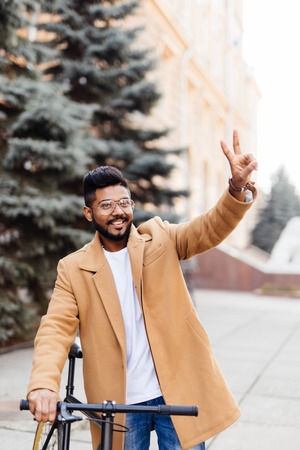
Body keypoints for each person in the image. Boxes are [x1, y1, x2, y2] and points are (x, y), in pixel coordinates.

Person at [27, 130, 258, 450]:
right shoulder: (73, 268)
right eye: (106, 205)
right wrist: (43, 385)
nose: (118, 211)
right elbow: (55, 328)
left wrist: (235, 187)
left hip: (175, 391)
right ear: (89, 213)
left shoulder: (160, 238)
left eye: (124, 202)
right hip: (119, 402)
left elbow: (209, 228)